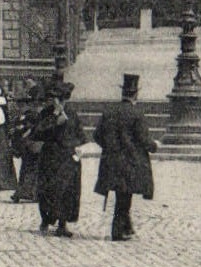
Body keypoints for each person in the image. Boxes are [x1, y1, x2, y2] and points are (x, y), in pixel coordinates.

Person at [94, 73, 158, 242]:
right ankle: (118, 231)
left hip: (111, 161)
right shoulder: (136, 114)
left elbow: (97, 135)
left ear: (123, 92)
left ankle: (126, 226)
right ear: (136, 94)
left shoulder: (109, 111)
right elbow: (144, 139)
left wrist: (110, 148)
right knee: (124, 196)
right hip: (129, 162)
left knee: (121, 194)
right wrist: (154, 146)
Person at [31, 82, 85, 235]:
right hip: (50, 157)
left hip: (68, 157)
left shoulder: (72, 113)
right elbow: (37, 133)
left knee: (67, 190)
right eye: (54, 99)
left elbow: (80, 135)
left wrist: (77, 148)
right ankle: (46, 219)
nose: (57, 102)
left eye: (60, 99)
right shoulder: (46, 113)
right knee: (48, 189)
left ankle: (62, 223)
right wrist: (54, 119)